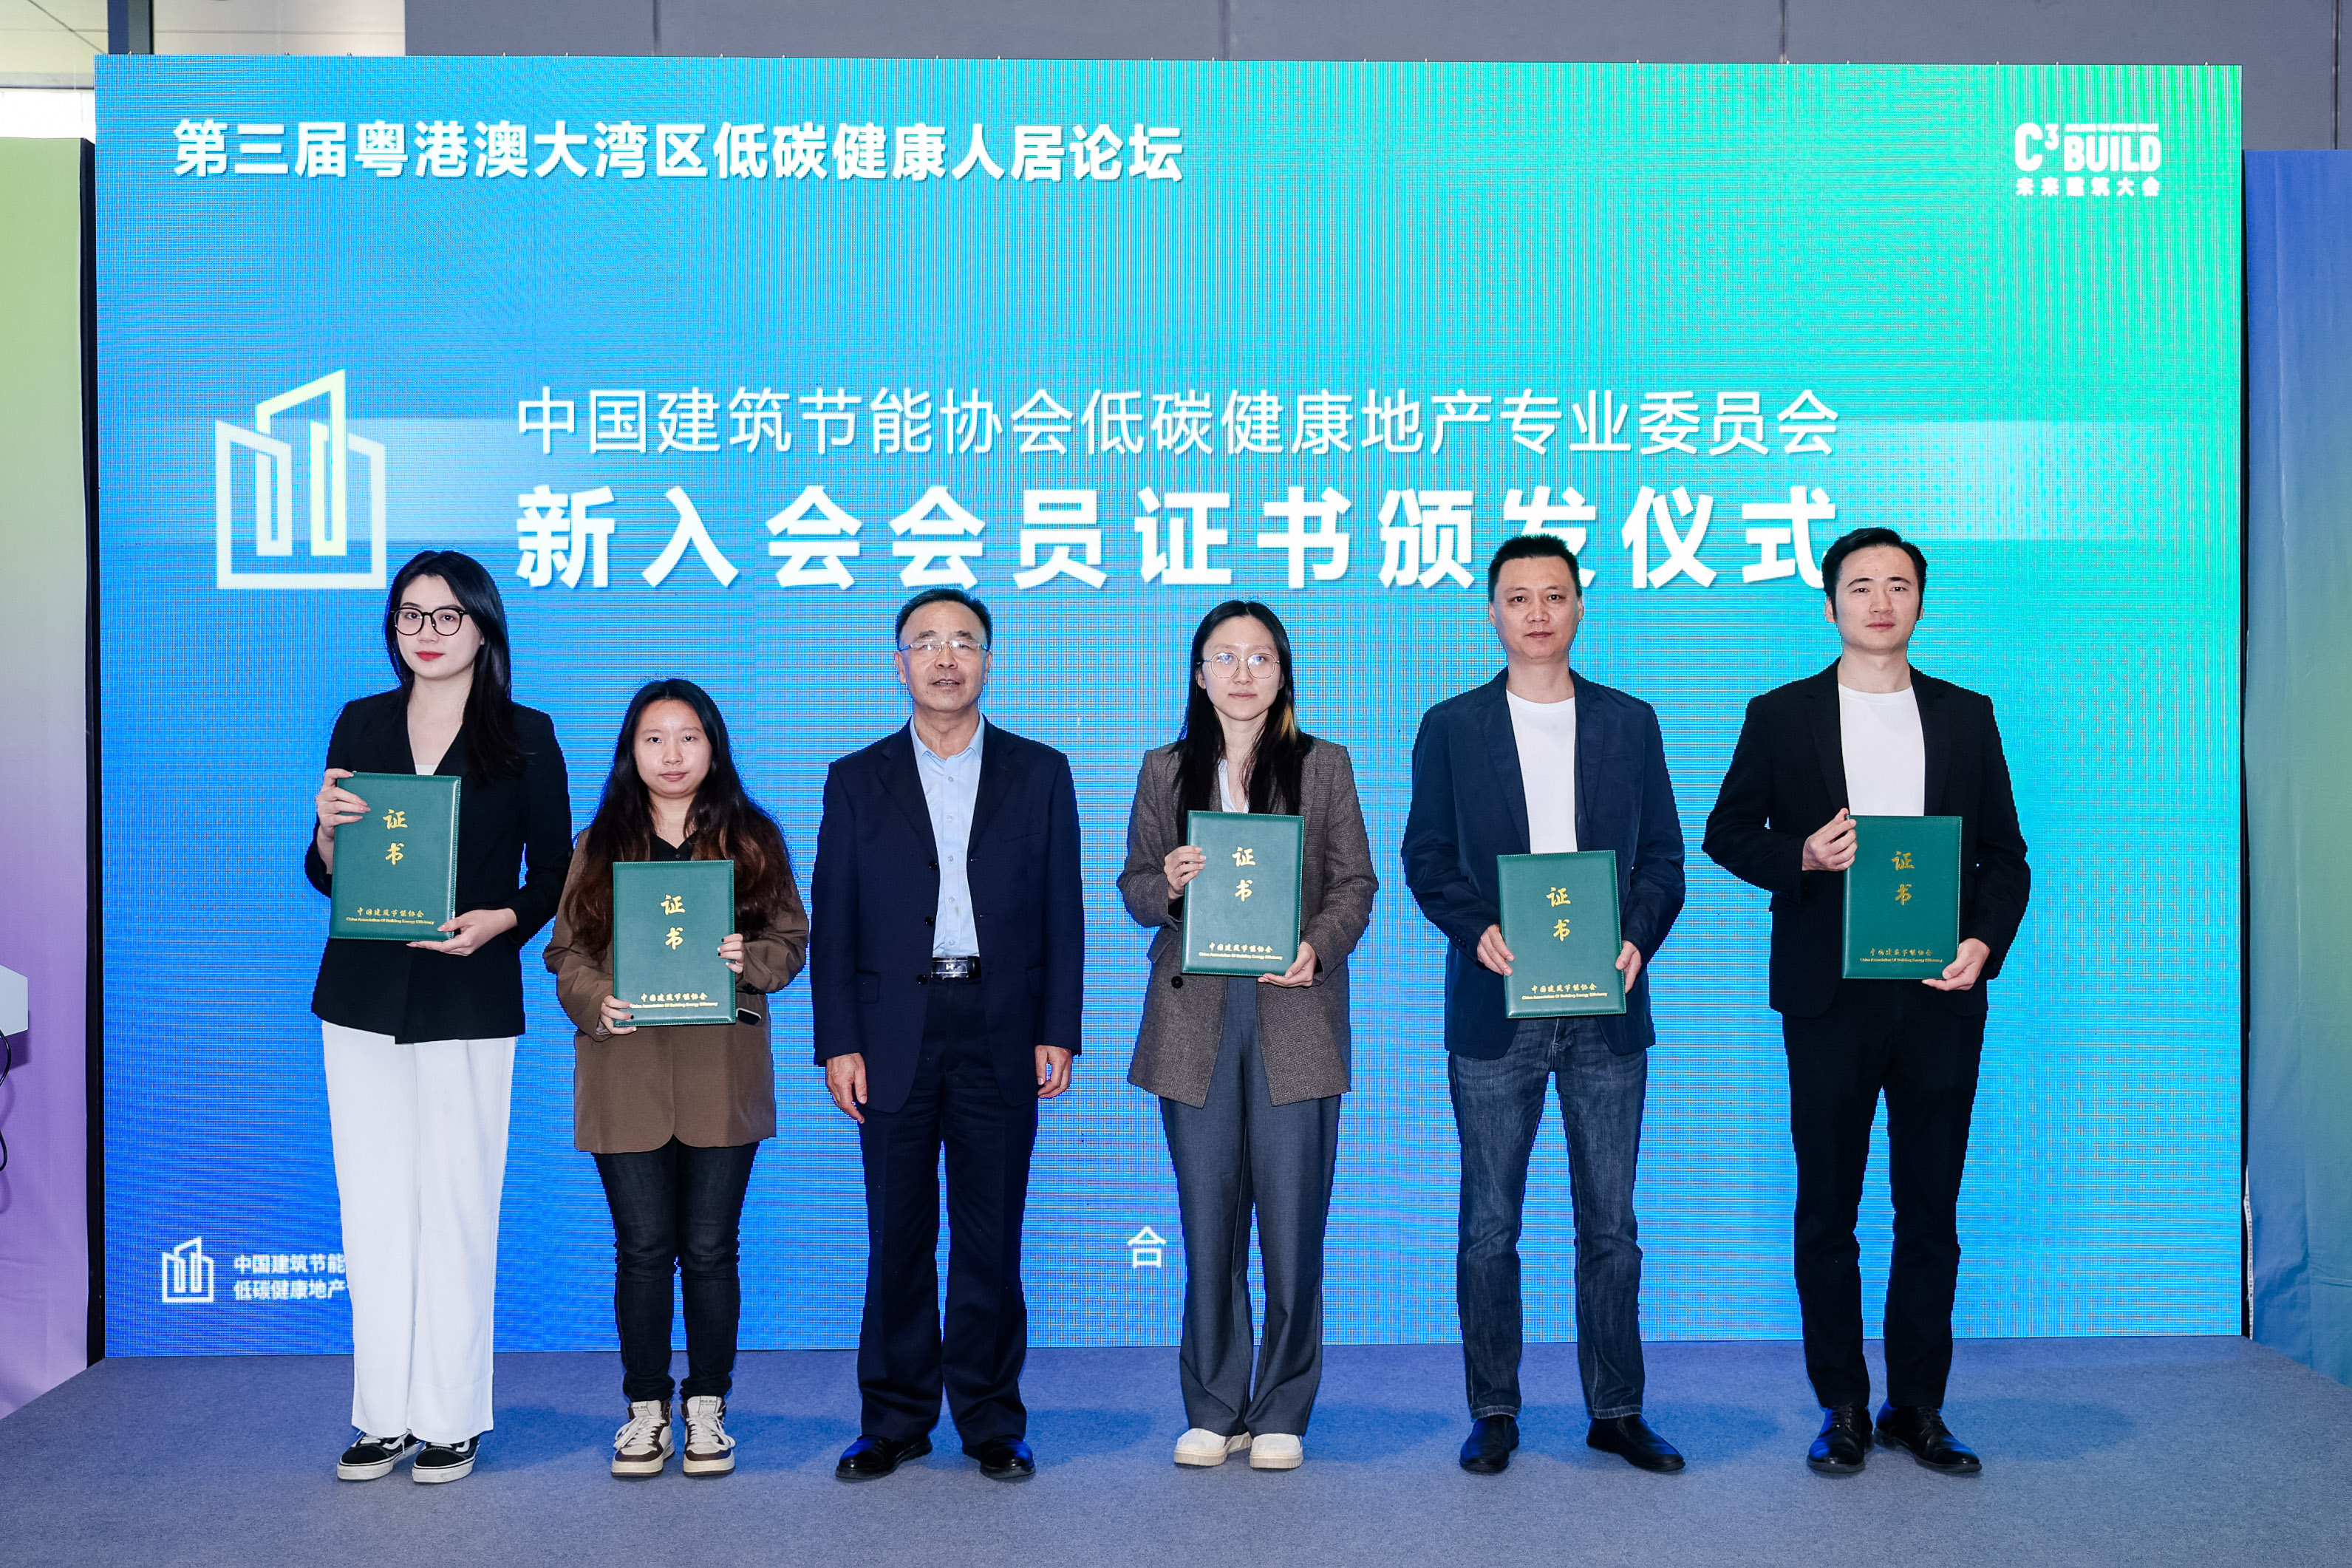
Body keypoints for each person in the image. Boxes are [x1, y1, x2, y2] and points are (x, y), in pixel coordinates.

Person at [1702, 527, 2029, 1478]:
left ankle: (1918, 1405)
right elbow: (1727, 831)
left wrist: (1982, 944)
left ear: (1921, 602)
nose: (1880, 602)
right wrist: (1802, 854)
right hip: (1828, 997)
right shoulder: (1781, 713)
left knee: (1930, 1209)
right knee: (1828, 1208)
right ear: (1830, 604)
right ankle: (1842, 1403)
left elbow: (2006, 856)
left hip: (1940, 995)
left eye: (1898, 585)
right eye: (1860, 586)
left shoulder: (1967, 714)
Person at [1401, 534, 1688, 1477]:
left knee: (1613, 1227)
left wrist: (1637, 937)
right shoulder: (1452, 726)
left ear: (1579, 608)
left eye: (1554, 595)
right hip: (1497, 1005)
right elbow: (1425, 856)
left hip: (1608, 1006)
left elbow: (1664, 860)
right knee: (1490, 1226)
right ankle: (1493, 1408)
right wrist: (1475, 928)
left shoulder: (1630, 722)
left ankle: (1617, 1408)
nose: (1537, 612)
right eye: (1518, 597)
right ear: (1492, 612)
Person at [306, 550, 572, 1485]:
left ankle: (451, 1416)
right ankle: (383, 1415)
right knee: (374, 1207)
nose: (426, 633)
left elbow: (556, 873)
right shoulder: (361, 721)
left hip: (469, 993)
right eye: (410, 615)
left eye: (447, 615)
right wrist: (326, 833)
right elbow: (329, 874)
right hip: (361, 995)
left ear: (484, 628)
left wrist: (502, 921)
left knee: (457, 1205)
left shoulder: (527, 734)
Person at [811, 587, 1084, 1483]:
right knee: (896, 1235)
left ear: (988, 662)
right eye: (925, 642)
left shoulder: (1040, 772)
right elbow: (835, 918)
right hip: (892, 1030)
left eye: (963, 641)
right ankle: (893, 1418)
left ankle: (991, 1418)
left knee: (989, 1235)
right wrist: (838, 1041)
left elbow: (1064, 912)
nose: (945, 657)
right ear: (899, 666)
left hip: (1001, 1026)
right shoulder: (857, 778)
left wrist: (1058, 1028)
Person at [1118, 601, 1377, 1473]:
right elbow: (1134, 885)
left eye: (1259, 657)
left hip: (1293, 1011)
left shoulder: (1324, 765)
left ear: (1282, 671)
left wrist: (1319, 946)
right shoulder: (1164, 770)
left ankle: (1282, 1407)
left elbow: (1355, 883)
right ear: (1199, 674)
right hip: (1193, 1018)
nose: (1241, 673)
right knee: (1208, 1225)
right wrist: (1169, 885)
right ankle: (1213, 1405)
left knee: (1293, 1229)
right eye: (1223, 657)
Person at [544, 679, 808, 1479]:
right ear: (630, 751)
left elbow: (791, 941)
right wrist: (595, 1001)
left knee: (711, 1248)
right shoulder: (597, 843)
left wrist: (747, 959)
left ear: (713, 747)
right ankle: (645, 1409)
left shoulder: (753, 838)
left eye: (688, 737)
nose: (671, 754)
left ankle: (707, 1406)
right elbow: (565, 952)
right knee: (642, 1249)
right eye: (653, 738)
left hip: (719, 1072)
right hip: (622, 1070)